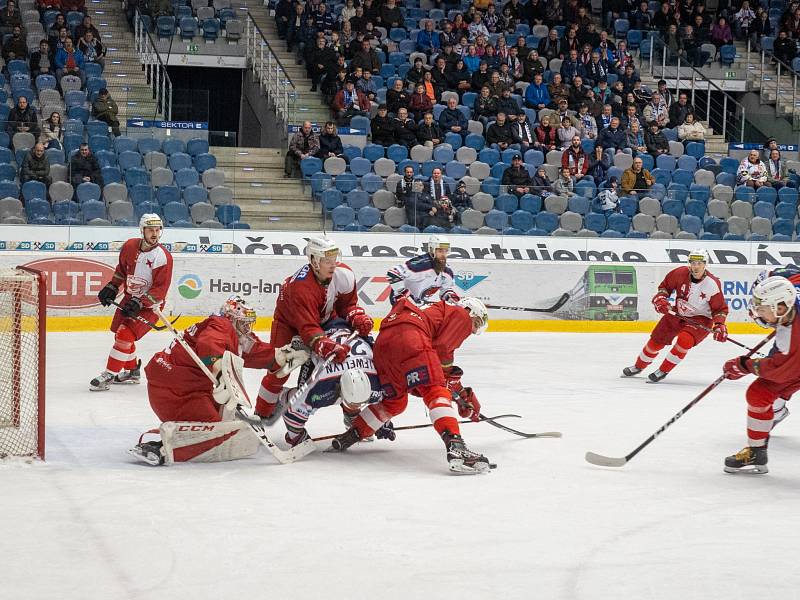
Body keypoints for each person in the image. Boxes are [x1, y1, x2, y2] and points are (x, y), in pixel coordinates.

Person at [129, 296, 310, 465]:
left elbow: (259, 353)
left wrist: (284, 355)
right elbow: (209, 345)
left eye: (248, 324)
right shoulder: (220, 325)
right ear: (230, 318)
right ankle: (161, 448)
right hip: (176, 392)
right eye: (242, 323)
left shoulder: (233, 333)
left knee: (226, 420)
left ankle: (172, 436)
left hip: (176, 385)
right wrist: (219, 374)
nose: (246, 329)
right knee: (217, 436)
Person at [329, 296, 490, 474]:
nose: (472, 330)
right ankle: (456, 446)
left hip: (385, 344)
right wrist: (451, 384)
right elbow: (442, 348)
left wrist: (454, 387)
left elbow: (425, 364)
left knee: (395, 401)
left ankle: (352, 434)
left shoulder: (435, 310)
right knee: (435, 389)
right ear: (470, 312)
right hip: (410, 335)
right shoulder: (461, 315)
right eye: (476, 323)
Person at [253, 238, 373, 424]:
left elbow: (347, 306)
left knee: (345, 362)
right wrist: (322, 343)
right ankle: (261, 413)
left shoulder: (344, 275)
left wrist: (356, 317)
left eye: (334, 258)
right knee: (280, 368)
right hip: (289, 324)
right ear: (314, 261)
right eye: (327, 260)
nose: (333, 265)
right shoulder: (301, 288)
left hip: (325, 320)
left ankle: (350, 411)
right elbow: (307, 327)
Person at [722, 268, 800, 474]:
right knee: (759, 394)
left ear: (780, 307)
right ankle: (757, 451)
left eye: (762, 308)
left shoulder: (792, 338)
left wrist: (743, 365)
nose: (757, 312)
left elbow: (778, 370)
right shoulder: (791, 293)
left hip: (793, 360)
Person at [91, 214, 174, 391]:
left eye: (158, 230)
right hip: (130, 298)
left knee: (124, 335)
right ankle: (131, 371)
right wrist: (112, 287)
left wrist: (141, 302)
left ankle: (109, 374)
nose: (155, 234)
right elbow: (121, 271)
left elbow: (160, 290)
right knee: (120, 335)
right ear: (142, 230)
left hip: (151, 305)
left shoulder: (163, 257)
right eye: (151, 230)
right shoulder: (129, 246)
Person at [623, 249, 728, 383]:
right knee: (656, 341)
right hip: (677, 313)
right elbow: (664, 288)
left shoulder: (712, 284)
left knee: (684, 340)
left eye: (699, 263)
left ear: (705, 264)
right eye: (693, 263)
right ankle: (639, 366)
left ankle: (664, 369)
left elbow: (720, 308)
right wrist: (661, 298)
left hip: (700, 319)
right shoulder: (679, 273)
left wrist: (719, 325)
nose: (695, 266)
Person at [282, 321, 387, 447]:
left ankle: (351, 416)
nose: (356, 406)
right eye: (353, 405)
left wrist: (381, 422)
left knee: (350, 395)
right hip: (320, 338)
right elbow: (293, 411)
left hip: (349, 331)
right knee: (302, 395)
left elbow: (389, 402)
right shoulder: (322, 384)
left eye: (359, 404)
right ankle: (280, 396)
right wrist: (297, 438)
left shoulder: (377, 380)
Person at [386, 234, 458, 305]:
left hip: (419, 307)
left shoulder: (447, 271)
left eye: (446, 251)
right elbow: (393, 273)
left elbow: (445, 291)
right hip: (402, 306)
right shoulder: (421, 264)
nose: (443, 255)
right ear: (431, 250)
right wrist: (405, 296)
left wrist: (453, 299)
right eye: (440, 251)